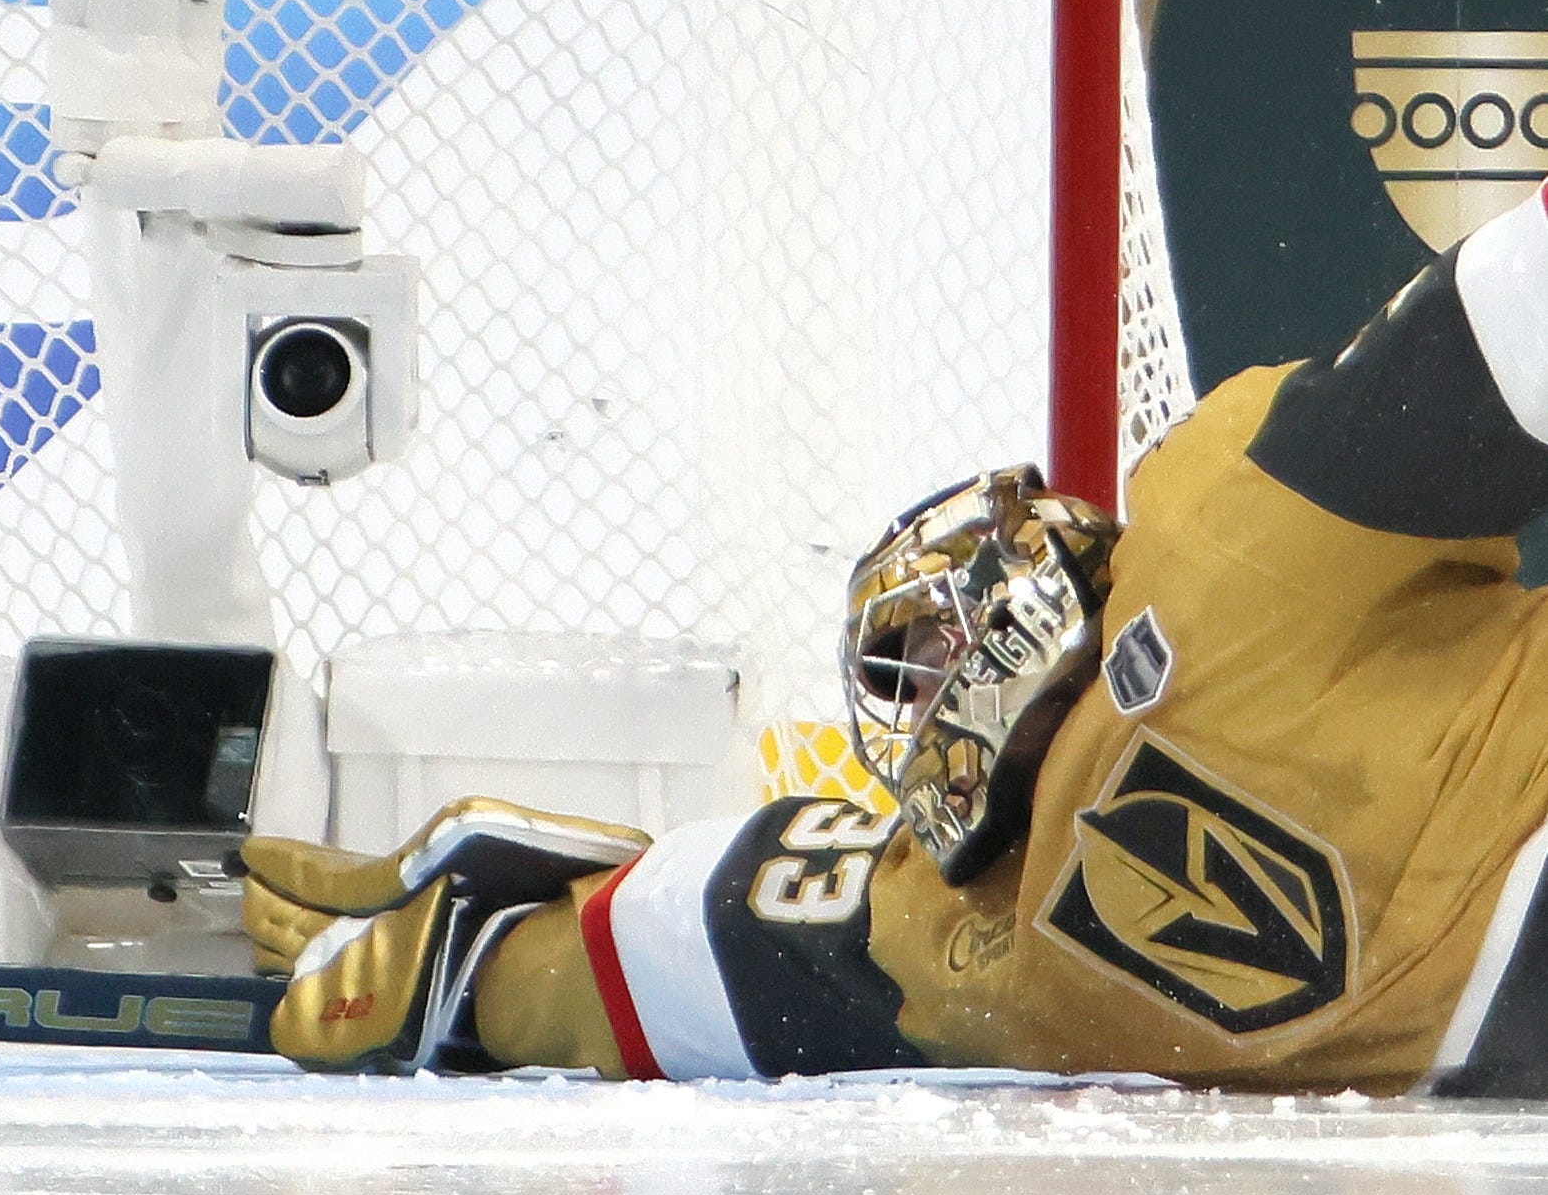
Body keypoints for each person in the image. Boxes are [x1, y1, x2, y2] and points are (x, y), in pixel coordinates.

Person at [248, 194, 1548, 1099]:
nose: (937, 684)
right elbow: (662, 941)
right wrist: (476, 968)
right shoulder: (937, 925)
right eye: (903, 673)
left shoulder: (1233, 548)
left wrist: (477, 964)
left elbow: (1501, 313)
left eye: (938, 634)